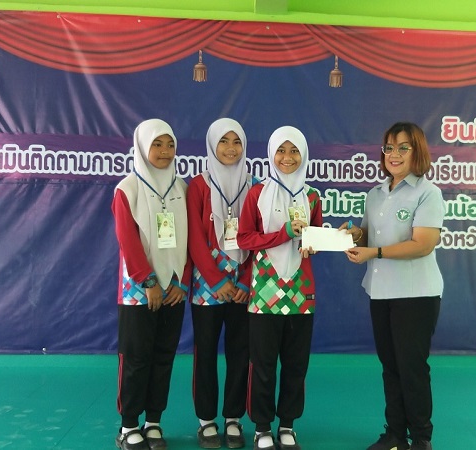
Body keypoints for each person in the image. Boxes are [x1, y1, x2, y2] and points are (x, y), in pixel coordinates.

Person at [342, 122, 444, 450]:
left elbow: (422, 244)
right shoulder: (375, 194)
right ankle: (396, 434)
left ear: (417, 151)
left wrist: (374, 252)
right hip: (380, 291)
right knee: (390, 367)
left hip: (416, 294)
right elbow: (367, 236)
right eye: (389, 147)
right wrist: (354, 235)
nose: (394, 154)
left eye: (403, 147)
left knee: (412, 369)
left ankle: (421, 438)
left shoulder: (427, 192)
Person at [237, 126, 322, 450]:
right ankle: (262, 427)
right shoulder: (257, 193)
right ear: (271, 154)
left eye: (294, 151)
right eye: (281, 151)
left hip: (301, 292)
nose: (287, 158)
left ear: (304, 154)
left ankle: (287, 425)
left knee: (296, 364)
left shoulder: (312, 196)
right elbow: (245, 238)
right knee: (263, 364)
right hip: (264, 292)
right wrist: (284, 232)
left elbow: (314, 236)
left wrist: (319, 241)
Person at [112, 119, 191, 450]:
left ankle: (154, 421)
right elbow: (127, 240)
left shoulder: (181, 187)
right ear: (143, 147)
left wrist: (182, 282)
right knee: (136, 357)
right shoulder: (127, 189)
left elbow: (190, 240)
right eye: (157, 144)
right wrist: (148, 281)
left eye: (170, 145)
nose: (165, 152)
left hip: (174, 289)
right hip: (139, 290)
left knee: (164, 356)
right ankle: (129, 425)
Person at [187, 118, 255, 449]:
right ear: (212, 146)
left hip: (243, 285)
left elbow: (258, 238)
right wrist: (216, 281)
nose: (230, 148)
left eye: (236, 141)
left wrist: (245, 281)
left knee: (240, 352)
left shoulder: (255, 186)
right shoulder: (198, 186)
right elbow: (194, 239)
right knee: (206, 352)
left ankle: (233, 418)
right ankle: (206, 420)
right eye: (223, 142)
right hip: (207, 285)